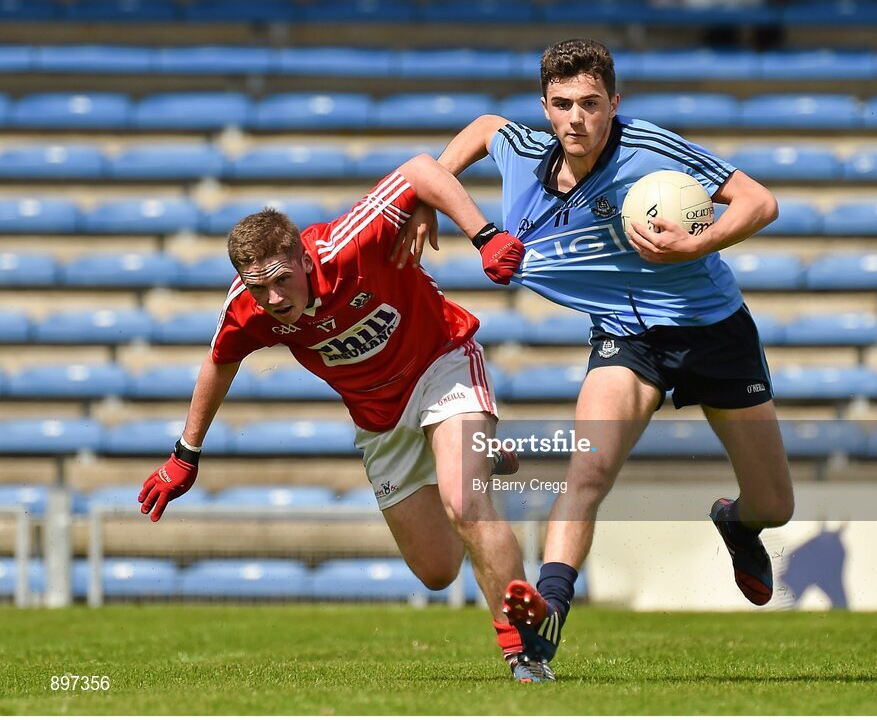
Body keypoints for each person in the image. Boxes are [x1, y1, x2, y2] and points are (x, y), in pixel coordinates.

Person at [394, 38, 794, 676]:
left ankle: (736, 522)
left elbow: (760, 202)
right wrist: (427, 199)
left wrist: (697, 245)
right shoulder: (525, 153)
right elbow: (483, 128)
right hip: (625, 337)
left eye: (590, 103)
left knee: (774, 505)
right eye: (561, 104)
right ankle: (546, 618)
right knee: (587, 472)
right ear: (545, 107)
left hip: (713, 329)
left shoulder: (651, 149)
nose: (575, 118)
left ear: (614, 103)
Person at [136, 154, 553, 683]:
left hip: (439, 364)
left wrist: (484, 235)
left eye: (281, 281)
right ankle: (469, 454)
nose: (272, 299)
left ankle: (526, 654)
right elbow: (220, 362)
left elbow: (423, 169)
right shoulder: (248, 307)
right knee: (437, 569)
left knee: (464, 501)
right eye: (258, 287)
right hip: (379, 417)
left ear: (305, 261)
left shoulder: (348, 243)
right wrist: (185, 454)